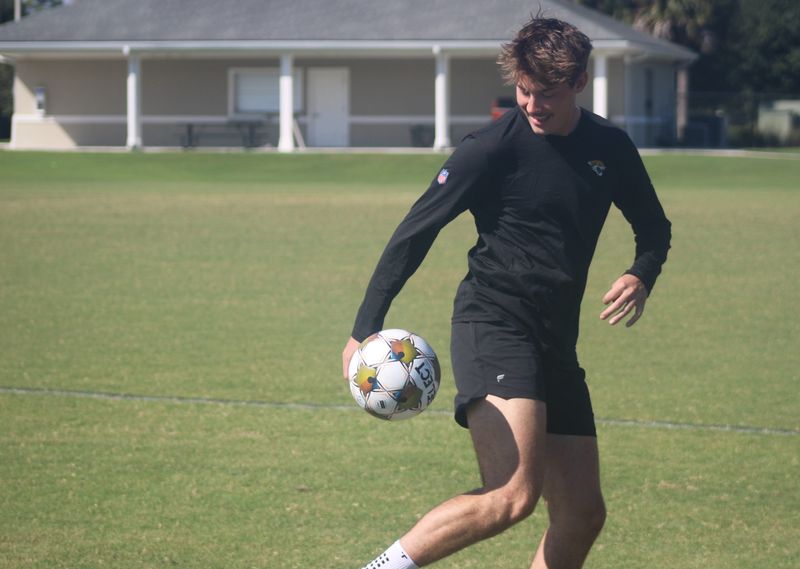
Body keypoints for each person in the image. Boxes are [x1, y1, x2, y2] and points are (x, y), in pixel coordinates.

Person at [341, 15, 671, 569]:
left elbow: (655, 228)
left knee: (583, 512)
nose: (532, 104)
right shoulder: (489, 149)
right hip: (492, 324)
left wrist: (641, 272)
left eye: (547, 93)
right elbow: (414, 232)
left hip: (556, 342)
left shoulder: (609, 147)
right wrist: (363, 327)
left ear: (579, 84)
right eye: (523, 90)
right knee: (511, 495)